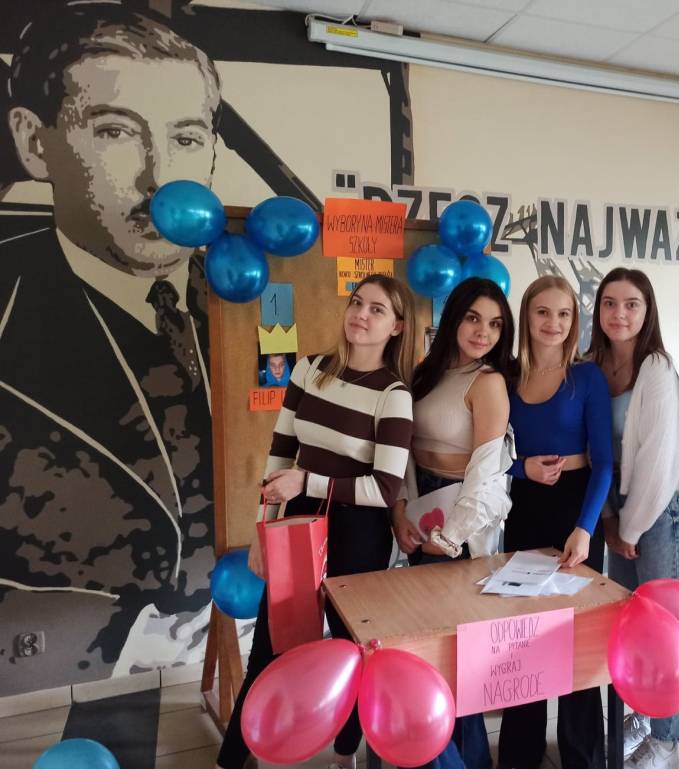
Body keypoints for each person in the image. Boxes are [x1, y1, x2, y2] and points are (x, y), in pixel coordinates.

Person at [0, 3, 221, 690]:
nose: (160, 179)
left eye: (186, 138)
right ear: (35, 143)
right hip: (57, 691)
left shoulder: (252, 299)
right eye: (118, 132)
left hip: (235, 659)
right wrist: (114, 635)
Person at [217, 274, 416, 769]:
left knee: (351, 652)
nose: (361, 314)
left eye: (377, 310)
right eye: (357, 302)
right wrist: (263, 529)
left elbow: (384, 489)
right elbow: (279, 453)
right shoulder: (309, 369)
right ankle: (230, 759)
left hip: (360, 533)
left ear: (396, 327)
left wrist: (308, 481)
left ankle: (345, 755)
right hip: (298, 522)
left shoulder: (393, 395)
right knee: (270, 647)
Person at [392, 277, 516, 769]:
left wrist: (451, 537)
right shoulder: (426, 373)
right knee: (429, 653)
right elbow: (403, 447)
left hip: (460, 530)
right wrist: (401, 510)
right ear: (453, 319)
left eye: (495, 324)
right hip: (420, 518)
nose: (483, 332)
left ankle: (467, 760)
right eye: (473, 318)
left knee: (458, 660)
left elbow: (486, 475)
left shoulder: (488, 382)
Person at [497, 275, 612, 769]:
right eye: (543, 312)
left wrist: (585, 527)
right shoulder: (504, 377)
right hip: (523, 508)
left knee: (577, 639)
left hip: (575, 511)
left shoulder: (587, 378)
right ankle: (520, 753)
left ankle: (582, 756)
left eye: (564, 314)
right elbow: (488, 454)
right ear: (526, 317)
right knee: (523, 636)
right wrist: (521, 468)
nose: (554, 323)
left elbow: (604, 463)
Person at [588, 267, 679, 769]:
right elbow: (596, 452)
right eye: (610, 303)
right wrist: (611, 519)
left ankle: (667, 741)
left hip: (662, 516)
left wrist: (628, 528)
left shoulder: (656, 368)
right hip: (621, 515)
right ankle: (642, 715)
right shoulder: (592, 365)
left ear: (647, 310)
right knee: (632, 632)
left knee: (669, 635)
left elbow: (657, 461)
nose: (620, 314)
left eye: (632, 304)